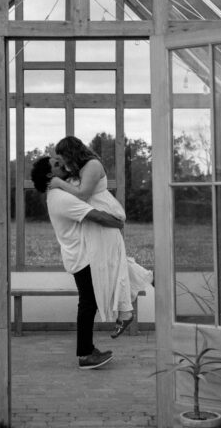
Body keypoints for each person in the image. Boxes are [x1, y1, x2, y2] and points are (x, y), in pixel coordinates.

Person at [48, 136, 153, 338]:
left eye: (61, 156)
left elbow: (82, 194)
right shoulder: (79, 168)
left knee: (111, 263)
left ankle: (126, 310)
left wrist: (59, 182)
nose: (61, 162)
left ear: (71, 152)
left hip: (103, 213)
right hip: (93, 220)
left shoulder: (93, 165)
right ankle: (136, 295)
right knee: (111, 263)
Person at [30, 152, 124, 369]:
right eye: (56, 164)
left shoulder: (59, 192)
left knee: (89, 302)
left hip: (82, 254)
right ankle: (85, 354)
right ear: (49, 175)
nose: (61, 163)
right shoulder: (60, 198)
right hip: (81, 257)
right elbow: (95, 215)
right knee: (88, 304)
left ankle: (88, 350)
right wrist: (118, 221)